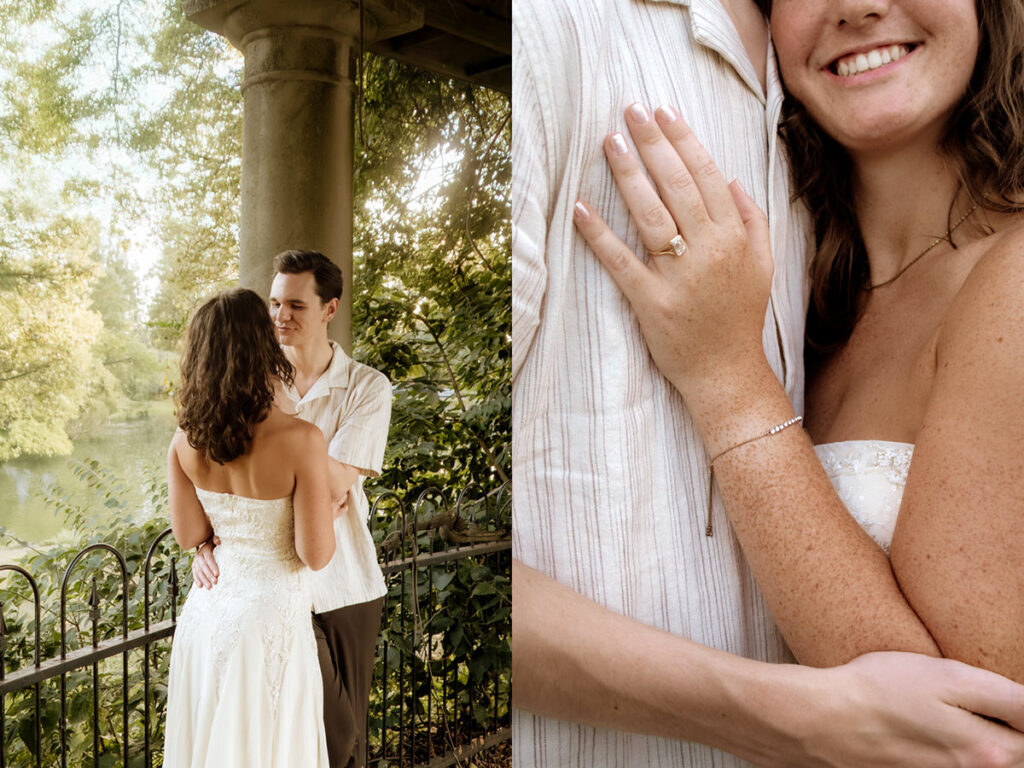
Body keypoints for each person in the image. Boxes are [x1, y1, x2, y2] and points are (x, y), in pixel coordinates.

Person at [512, 0, 1024, 765]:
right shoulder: (815, 275)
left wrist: (729, 379)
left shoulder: (1011, 277)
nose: (859, 6)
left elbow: (969, 732)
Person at [192, 250, 392, 768]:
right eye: (275, 303)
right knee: (282, 740)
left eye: (296, 305)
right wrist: (211, 540)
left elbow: (336, 482)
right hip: (269, 593)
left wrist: (290, 468)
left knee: (345, 741)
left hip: (344, 583)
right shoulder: (250, 381)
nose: (281, 315)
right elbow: (217, 475)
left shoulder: (367, 388)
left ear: (330, 309)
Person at [163, 288, 334, 767]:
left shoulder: (184, 441)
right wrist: (326, 506)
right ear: (263, 348)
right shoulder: (302, 438)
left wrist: (207, 549)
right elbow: (316, 554)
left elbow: (190, 536)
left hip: (208, 610)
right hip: (268, 620)